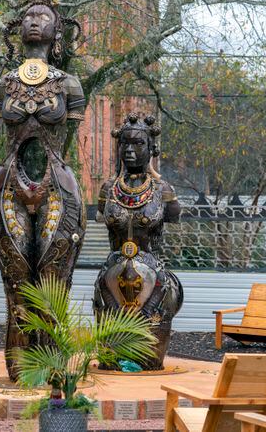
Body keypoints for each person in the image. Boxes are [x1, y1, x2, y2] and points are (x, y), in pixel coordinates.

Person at [0, 0, 86, 380]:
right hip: (10, 181)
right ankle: (19, 366)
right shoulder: (5, 83)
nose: (34, 21)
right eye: (28, 16)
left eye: (43, 17)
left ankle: (52, 367)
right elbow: (5, 120)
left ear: (56, 31)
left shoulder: (69, 83)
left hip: (56, 184)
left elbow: (70, 125)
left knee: (52, 277)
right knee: (15, 278)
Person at [93, 113, 183, 370]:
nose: (130, 150)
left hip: (153, 275)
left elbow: (174, 219)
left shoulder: (163, 190)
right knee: (109, 357)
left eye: (138, 144)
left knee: (151, 359)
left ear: (151, 148)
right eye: (125, 144)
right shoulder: (108, 189)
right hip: (112, 274)